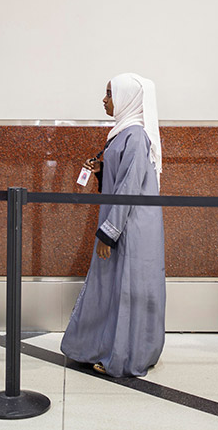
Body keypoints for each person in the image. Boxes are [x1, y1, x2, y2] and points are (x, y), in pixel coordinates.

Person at [61, 73, 166, 378]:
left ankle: (124, 356)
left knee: (128, 290)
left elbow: (130, 187)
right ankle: (102, 347)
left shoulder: (135, 135)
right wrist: (102, 169)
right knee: (115, 288)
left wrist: (109, 233)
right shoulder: (121, 133)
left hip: (130, 227)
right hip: (123, 221)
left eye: (110, 94)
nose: (105, 100)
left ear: (127, 98)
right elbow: (121, 178)